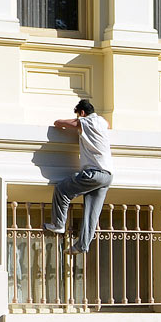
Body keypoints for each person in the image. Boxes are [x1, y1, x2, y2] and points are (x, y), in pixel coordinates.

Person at [45, 99, 114, 254]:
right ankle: (81, 246)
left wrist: (76, 120)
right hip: (108, 175)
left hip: (94, 173)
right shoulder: (102, 121)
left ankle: (58, 224)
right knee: (91, 213)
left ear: (82, 113)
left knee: (62, 189)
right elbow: (108, 124)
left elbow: (59, 123)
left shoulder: (84, 122)